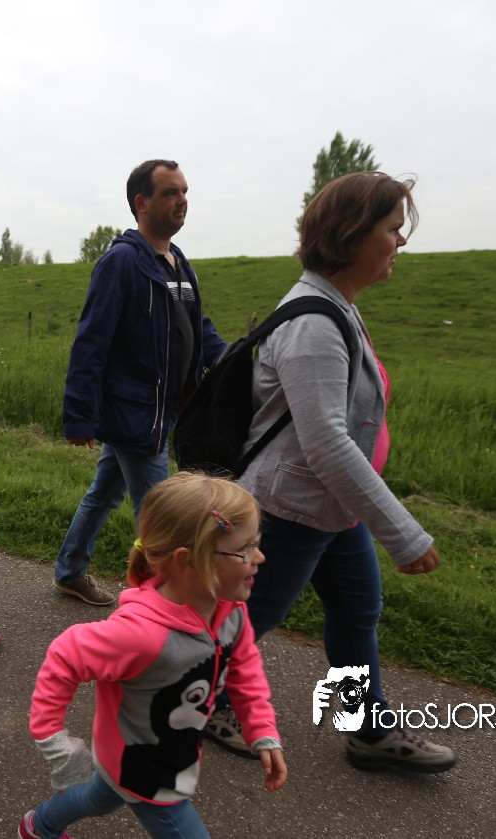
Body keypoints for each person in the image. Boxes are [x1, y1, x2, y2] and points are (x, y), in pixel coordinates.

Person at [203, 171, 457, 773]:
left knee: (355, 612)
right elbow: (326, 444)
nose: (401, 241)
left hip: (334, 509)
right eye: (392, 229)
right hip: (290, 510)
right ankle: (190, 705)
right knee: (246, 620)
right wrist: (404, 534)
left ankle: (368, 731)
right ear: (351, 234)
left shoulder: (337, 307)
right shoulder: (315, 323)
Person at [20, 472, 287, 839]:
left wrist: (262, 729)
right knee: (115, 800)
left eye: (257, 542)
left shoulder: (231, 613)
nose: (259, 557)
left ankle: (39, 825)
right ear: (188, 561)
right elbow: (66, 654)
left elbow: (244, 669)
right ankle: (41, 825)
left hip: (165, 754)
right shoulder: (141, 635)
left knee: (99, 798)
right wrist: (52, 737)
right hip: (143, 767)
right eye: (244, 549)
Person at [54, 160, 227, 607]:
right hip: (135, 411)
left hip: (166, 409)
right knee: (161, 515)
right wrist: (79, 415)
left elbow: (196, 326)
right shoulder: (122, 263)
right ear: (142, 202)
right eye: (170, 192)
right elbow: (91, 342)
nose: (182, 200)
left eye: (184, 191)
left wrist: (229, 362)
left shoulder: (177, 263)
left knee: (104, 492)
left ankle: (69, 571)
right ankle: (162, 605)